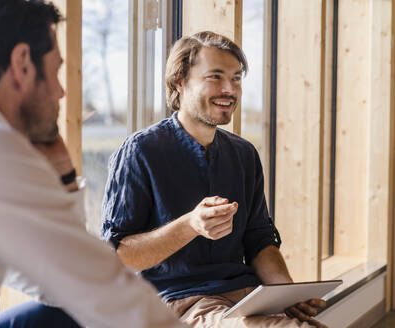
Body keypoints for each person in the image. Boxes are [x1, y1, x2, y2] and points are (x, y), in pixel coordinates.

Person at [0, 1, 184, 327]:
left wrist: (64, 176)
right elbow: (103, 288)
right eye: (55, 70)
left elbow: (54, 285)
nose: (61, 91)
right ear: (23, 63)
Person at [101, 31, 327, 328]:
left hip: (244, 295)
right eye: (215, 77)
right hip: (176, 300)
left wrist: (287, 294)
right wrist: (190, 225)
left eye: (236, 78)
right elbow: (117, 256)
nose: (229, 89)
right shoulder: (140, 151)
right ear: (179, 82)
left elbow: (259, 241)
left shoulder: (244, 154)